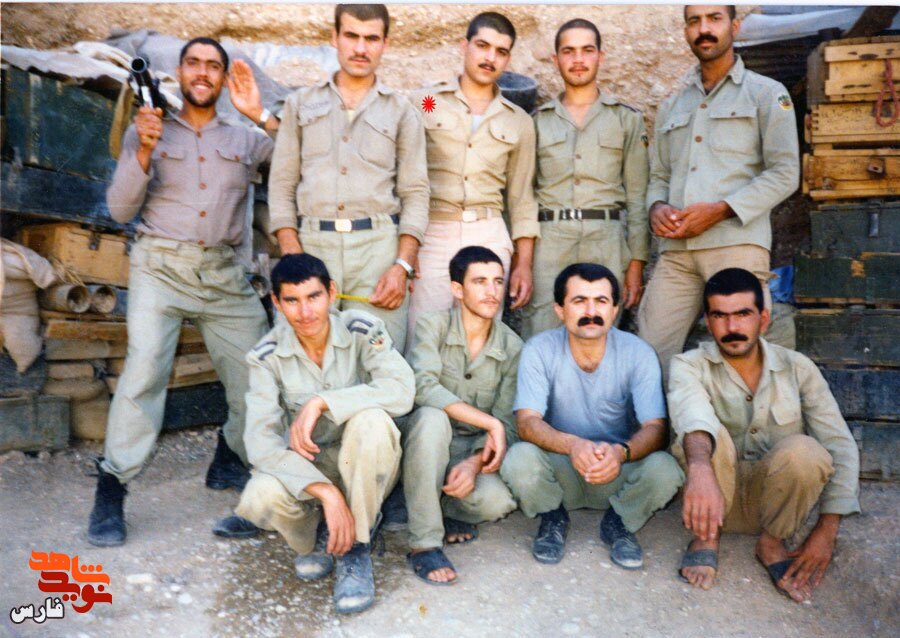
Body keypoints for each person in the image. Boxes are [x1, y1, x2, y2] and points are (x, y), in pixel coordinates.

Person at [88, 37, 278, 547]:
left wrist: (261, 115)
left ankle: (230, 455)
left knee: (260, 374)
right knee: (145, 371)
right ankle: (112, 486)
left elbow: (298, 155)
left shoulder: (245, 138)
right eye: (193, 63)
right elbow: (120, 209)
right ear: (179, 71)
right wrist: (143, 150)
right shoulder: (147, 128)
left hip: (223, 274)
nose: (202, 72)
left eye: (213, 66)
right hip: (161, 269)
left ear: (223, 79)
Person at [229, 253, 414, 614]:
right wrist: (326, 492)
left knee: (372, 421)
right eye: (292, 301)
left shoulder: (362, 329)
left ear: (331, 292)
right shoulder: (266, 357)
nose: (305, 312)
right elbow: (260, 443)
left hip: (362, 465)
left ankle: (356, 546)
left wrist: (322, 402)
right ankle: (315, 536)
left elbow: (402, 390)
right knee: (259, 494)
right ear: (276, 302)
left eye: (313, 297)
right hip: (310, 470)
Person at [668, 268, 859, 602]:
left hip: (773, 506)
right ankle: (706, 537)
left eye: (743, 314)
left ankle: (771, 543)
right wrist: (699, 468)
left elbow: (839, 445)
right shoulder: (688, 365)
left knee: (806, 451)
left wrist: (826, 530)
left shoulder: (797, 367)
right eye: (720, 316)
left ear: (764, 318)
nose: (732, 327)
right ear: (708, 322)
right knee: (703, 435)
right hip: (711, 496)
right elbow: (693, 415)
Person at [638, 5, 799, 377]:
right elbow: (659, 175)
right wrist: (656, 206)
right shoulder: (672, 106)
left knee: (745, 355)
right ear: (686, 31)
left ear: (735, 27)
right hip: (677, 253)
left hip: (736, 245)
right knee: (649, 354)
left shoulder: (766, 94)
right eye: (694, 21)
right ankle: (667, 418)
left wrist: (722, 209)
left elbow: (786, 172)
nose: (703, 29)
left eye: (714, 19)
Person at [267, 3, 429, 353]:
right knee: (304, 360)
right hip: (313, 244)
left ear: (385, 43)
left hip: (377, 253)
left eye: (371, 38)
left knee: (379, 360)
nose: (360, 48)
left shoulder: (402, 111)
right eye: (351, 36)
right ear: (334, 38)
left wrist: (401, 265)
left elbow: (415, 192)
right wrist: (292, 253)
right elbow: (281, 184)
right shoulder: (300, 104)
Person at [501, 263, 683, 569]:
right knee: (518, 459)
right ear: (559, 310)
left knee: (666, 469)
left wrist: (621, 453)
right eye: (579, 301)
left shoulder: (639, 353)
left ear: (615, 310)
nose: (591, 311)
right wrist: (573, 446)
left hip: (617, 472)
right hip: (560, 472)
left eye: (601, 301)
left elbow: (655, 428)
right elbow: (527, 423)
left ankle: (619, 522)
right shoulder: (539, 349)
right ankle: (552, 517)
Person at [407, 11, 539, 338]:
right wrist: (408, 248)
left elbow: (522, 198)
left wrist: (523, 264)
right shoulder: (427, 103)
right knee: (424, 333)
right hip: (433, 233)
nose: (490, 58)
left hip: (488, 233)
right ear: (464, 46)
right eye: (482, 46)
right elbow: (405, 177)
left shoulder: (518, 121)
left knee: (480, 337)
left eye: (501, 51)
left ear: (508, 59)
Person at [521, 18, 649, 339]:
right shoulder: (537, 122)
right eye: (569, 51)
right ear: (556, 59)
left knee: (600, 335)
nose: (578, 59)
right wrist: (522, 262)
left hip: (606, 240)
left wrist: (636, 264)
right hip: (550, 240)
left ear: (600, 57)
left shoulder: (626, 119)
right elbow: (524, 197)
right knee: (541, 331)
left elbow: (638, 197)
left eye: (587, 50)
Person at [403, 246, 521, 585]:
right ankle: (424, 543)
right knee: (432, 419)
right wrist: (488, 422)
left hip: (467, 449)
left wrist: (474, 464)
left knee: (497, 502)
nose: (491, 291)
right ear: (457, 289)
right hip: (423, 442)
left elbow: (507, 424)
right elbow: (423, 387)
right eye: (479, 282)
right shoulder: (433, 326)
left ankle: (435, 507)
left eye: (497, 281)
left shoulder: (513, 347)